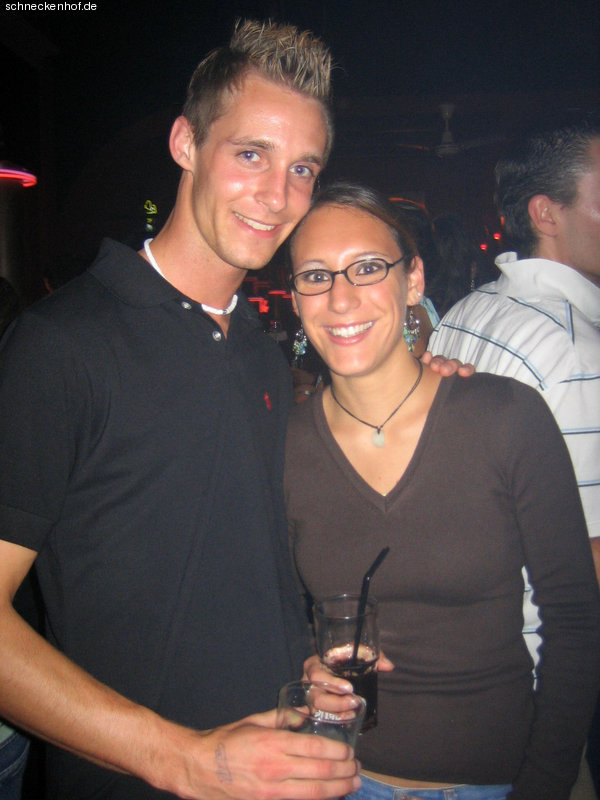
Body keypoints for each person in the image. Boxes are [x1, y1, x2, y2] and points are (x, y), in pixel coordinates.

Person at [0, 20, 362, 800]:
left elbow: (222, 563)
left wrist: (295, 658)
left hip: (274, 768)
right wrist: (182, 758)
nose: (278, 195)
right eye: (251, 154)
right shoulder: (61, 345)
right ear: (185, 143)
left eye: (303, 168)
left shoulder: (262, 354)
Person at [284, 182, 600, 800]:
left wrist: (543, 786)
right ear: (295, 300)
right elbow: (271, 605)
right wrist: (304, 661)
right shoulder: (284, 445)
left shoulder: (505, 417)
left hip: (492, 780)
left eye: (367, 268)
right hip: (336, 778)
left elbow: (575, 617)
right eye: (316, 276)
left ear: (413, 281)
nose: (341, 298)